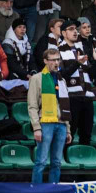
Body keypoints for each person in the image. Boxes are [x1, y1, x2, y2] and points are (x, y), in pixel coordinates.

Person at [27, 47, 71, 184]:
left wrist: (68, 129)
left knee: (57, 162)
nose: (56, 63)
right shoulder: (36, 79)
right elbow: (32, 105)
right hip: (45, 123)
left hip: (61, 123)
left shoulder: (62, 81)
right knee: (41, 161)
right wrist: (36, 127)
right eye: (52, 60)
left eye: (58, 59)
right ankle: (36, 191)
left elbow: (65, 107)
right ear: (45, 61)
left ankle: (53, 190)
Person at [57, 20, 96, 146]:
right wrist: (77, 63)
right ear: (64, 33)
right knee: (70, 132)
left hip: (87, 96)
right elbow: (61, 75)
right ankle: (65, 161)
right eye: (71, 29)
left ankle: (84, 158)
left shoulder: (81, 49)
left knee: (87, 133)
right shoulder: (58, 50)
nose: (75, 31)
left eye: (76, 29)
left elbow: (91, 75)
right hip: (71, 97)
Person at [77, 17, 96, 85]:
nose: (87, 29)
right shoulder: (78, 43)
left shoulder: (94, 40)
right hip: (87, 74)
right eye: (84, 27)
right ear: (79, 30)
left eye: (89, 27)